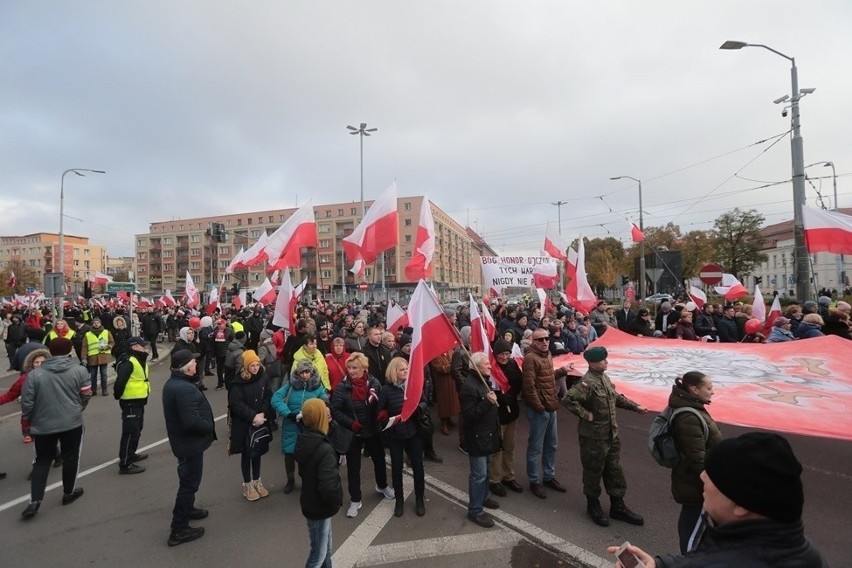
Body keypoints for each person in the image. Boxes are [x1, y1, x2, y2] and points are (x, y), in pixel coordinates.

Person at [610, 432, 828, 567]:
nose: (703, 476)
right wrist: (660, 564)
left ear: (741, 505)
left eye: (714, 476)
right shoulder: (800, 550)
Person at [562, 346, 646, 527]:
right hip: (593, 437)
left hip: (611, 434)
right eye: (603, 360)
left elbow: (615, 397)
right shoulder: (588, 383)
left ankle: (618, 506)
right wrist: (586, 415)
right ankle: (593, 505)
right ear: (592, 363)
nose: (606, 362)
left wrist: (634, 407)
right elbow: (568, 399)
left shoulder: (604, 378)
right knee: (593, 471)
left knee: (614, 470)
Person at [19, 337, 92, 520]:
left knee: (41, 461)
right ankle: (69, 492)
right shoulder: (79, 370)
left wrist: (30, 419)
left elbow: (27, 402)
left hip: (43, 425)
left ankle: (35, 501)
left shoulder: (35, 375)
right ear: (70, 351)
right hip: (71, 422)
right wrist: (77, 409)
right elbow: (86, 394)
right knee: (71, 457)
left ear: (50, 351)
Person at [162, 349, 216, 546]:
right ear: (187, 367)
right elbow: (191, 421)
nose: (196, 364)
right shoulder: (183, 389)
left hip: (184, 443)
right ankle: (179, 528)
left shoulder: (176, 383)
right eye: (194, 362)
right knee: (189, 484)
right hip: (188, 445)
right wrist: (209, 425)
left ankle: (188, 508)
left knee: (188, 481)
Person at [330, 352, 392, 518]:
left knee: (379, 460)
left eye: (355, 368)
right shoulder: (342, 387)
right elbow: (335, 409)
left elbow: (382, 402)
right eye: (349, 368)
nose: (351, 371)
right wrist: (350, 423)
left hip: (373, 430)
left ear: (364, 368)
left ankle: (382, 486)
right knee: (353, 468)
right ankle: (355, 499)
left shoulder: (374, 383)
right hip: (353, 433)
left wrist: (383, 412)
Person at [667, 371, 723, 553]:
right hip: (696, 485)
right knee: (692, 533)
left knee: (695, 526)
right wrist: (713, 484)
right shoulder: (689, 417)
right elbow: (697, 459)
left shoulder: (693, 407)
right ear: (694, 389)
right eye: (709, 387)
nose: (712, 391)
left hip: (696, 483)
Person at [522, 328, 572, 499]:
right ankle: (535, 481)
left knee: (551, 445)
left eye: (546, 339)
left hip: (551, 407)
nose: (544, 342)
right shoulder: (530, 358)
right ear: (533, 342)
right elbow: (529, 388)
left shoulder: (548, 355)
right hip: (540, 411)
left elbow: (548, 377)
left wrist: (563, 370)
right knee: (535, 448)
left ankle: (549, 476)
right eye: (540, 340)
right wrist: (540, 408)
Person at [295, 398, 342, 568]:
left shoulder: (304, 438)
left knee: (326, 549)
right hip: (320, 508)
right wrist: (337, 500)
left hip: (310, 502)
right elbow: (329, 487)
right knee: (318, 555)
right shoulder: (325, 450)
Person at [377, 357, 426, 517]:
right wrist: (383, 415)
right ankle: (399, 500)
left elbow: (425, 401)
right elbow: (379, 410)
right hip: (396, 434)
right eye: (402, 369)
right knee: (397, 468)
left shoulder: (413, 386)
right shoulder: (386, 390)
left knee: (418, 467)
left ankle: (420, 499)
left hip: (414, 432)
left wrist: (419, 408)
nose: (406, 371)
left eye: (407, 369)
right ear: (394, 372)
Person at [271, 359, 328, 495]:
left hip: (309, 426)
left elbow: (325, 401)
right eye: (302, 372)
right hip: (292, 424)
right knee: (289, 453)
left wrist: (312, 412)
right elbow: (275, 399)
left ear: (311, 372)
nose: (304, 375)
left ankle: (307, 480)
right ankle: (290, 480)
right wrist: (288, 414)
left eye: (307, 372)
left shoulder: (317, 386)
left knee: (308, 455)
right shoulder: (290, 385)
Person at [459, 352, 502, 528]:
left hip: (487, 435)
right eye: (486, 364)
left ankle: (483, 498)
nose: (490, 367)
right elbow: (469, 414)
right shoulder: (469, 386)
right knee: (479, 475)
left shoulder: (482, 380)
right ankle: (475, 510)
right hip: (477, 437)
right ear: (475, 366)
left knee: (486, 472)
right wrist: (486, 401)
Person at [228, 350, 273, 501]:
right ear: (246, 367)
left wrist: (262, 413)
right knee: (247, 453)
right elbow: (236, 404)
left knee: (257, 452)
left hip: (260, 420)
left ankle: (257, 481)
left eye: (257, 364)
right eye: (252, 365)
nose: (255, 368)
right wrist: (253, 416)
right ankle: (247, 484)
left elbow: (268, 395)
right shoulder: (238, 382)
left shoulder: (263, 377)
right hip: (244, 424)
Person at [488, 339, 524, 497]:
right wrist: (498, 397)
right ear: (495, 354)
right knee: (497, 449)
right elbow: (486, 389)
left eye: (507, 353)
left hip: (511, 412)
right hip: (496, 413)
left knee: (509, 447)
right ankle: (494, 480)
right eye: (501, 354)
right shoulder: (490, 368)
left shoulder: (513, 365)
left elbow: (518, 383)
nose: (504, 357)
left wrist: (511, 394)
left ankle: (509, 476)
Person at [113, 337, 151, 475]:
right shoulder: (128, 361)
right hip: (130, 400)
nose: (145, 348)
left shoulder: (138, 358)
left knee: (136, 429)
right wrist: (118, 395)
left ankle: (131, 454)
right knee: (129, 432)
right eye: (142, 345)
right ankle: (125, 463)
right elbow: (120, 382)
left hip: (139, 399)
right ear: (134, 346)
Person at [0, 348, 50, 444]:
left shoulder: (54, 375)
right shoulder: (25, 378)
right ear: (32, 364)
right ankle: (27, 433)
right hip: (32, 414)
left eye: (43, 362)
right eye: (36, 362)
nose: (39, 365)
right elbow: (11, 394)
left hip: (50, 414)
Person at [84, 317, 114, 396]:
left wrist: (108, 347)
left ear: (100, 324)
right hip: (92, 357)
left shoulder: (106, 332)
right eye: (94, 323)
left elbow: (112, 342)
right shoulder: (88, 334)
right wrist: (84, 358)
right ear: (92, 324)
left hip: (103, 356)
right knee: (93, 375)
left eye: (98, 322)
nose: (96, 324)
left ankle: (104, 389)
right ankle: (93, 390)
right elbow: (84, 347)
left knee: (104, 374)